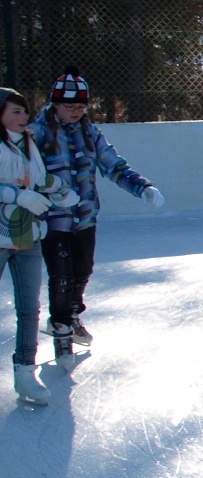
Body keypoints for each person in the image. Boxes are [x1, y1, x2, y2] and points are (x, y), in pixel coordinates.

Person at [28, 66, 164, 355]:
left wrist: (143, 187)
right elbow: (26, 174)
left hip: (85, 217)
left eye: (81, 106)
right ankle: (62, 330)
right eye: (69, 106)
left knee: (83, 270)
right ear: (55, 104)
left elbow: (114, 165)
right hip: (53, 220)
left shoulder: (89, 132)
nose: (76, 111)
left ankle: (72, 316)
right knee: (61, 274)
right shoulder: (38, 133)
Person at [0, 87, 75, 405]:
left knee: (29, 310)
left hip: (26, 236)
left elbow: (37, 178)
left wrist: (58, 188)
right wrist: (16, 195)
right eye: (15, 111)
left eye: (24, 111)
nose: (23, 116)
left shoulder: (28, 142)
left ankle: (24, 373)